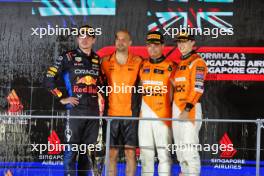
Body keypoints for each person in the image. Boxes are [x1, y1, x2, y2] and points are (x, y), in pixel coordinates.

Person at [44, 25, 103, 176]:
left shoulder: (98, 59)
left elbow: (102, 85)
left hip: (93, 113)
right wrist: (61, 98)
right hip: (75, 111)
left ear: (94, 40)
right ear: (77, 38)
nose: (85, 39)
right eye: (81, 36)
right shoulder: (67, 57)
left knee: (86, 154)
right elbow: (48, 79)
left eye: (88, 36)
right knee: (71, 152)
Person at [101, 30, 142, 176]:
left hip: (131, 116)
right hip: (111, 115)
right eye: (118, 39)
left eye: (124, 39)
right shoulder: (105, 61)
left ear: (130, 43)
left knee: (130, 155)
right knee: (111, 155)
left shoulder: (138, 61)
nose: (120, 42)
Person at [138, 31, 175, 176]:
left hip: (163, 117)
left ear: (163, 46)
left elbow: (179, 92)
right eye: (150, 45)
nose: (153, 48)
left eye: (156, 45)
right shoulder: (142, 65)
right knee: (145, 156)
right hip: (144, 116)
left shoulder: (172, 66)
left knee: (164, 156)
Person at [171, 31, 208, 176]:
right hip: (177, 109)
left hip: (190, 110)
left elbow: (198, 89)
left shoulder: (197, 62)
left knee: (189, 150)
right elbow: (176, 84)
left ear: (192, 43)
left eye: (184, 41)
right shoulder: (180, 64)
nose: (181, 44)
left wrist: (187, 109)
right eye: (179, 42)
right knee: (180, 151)